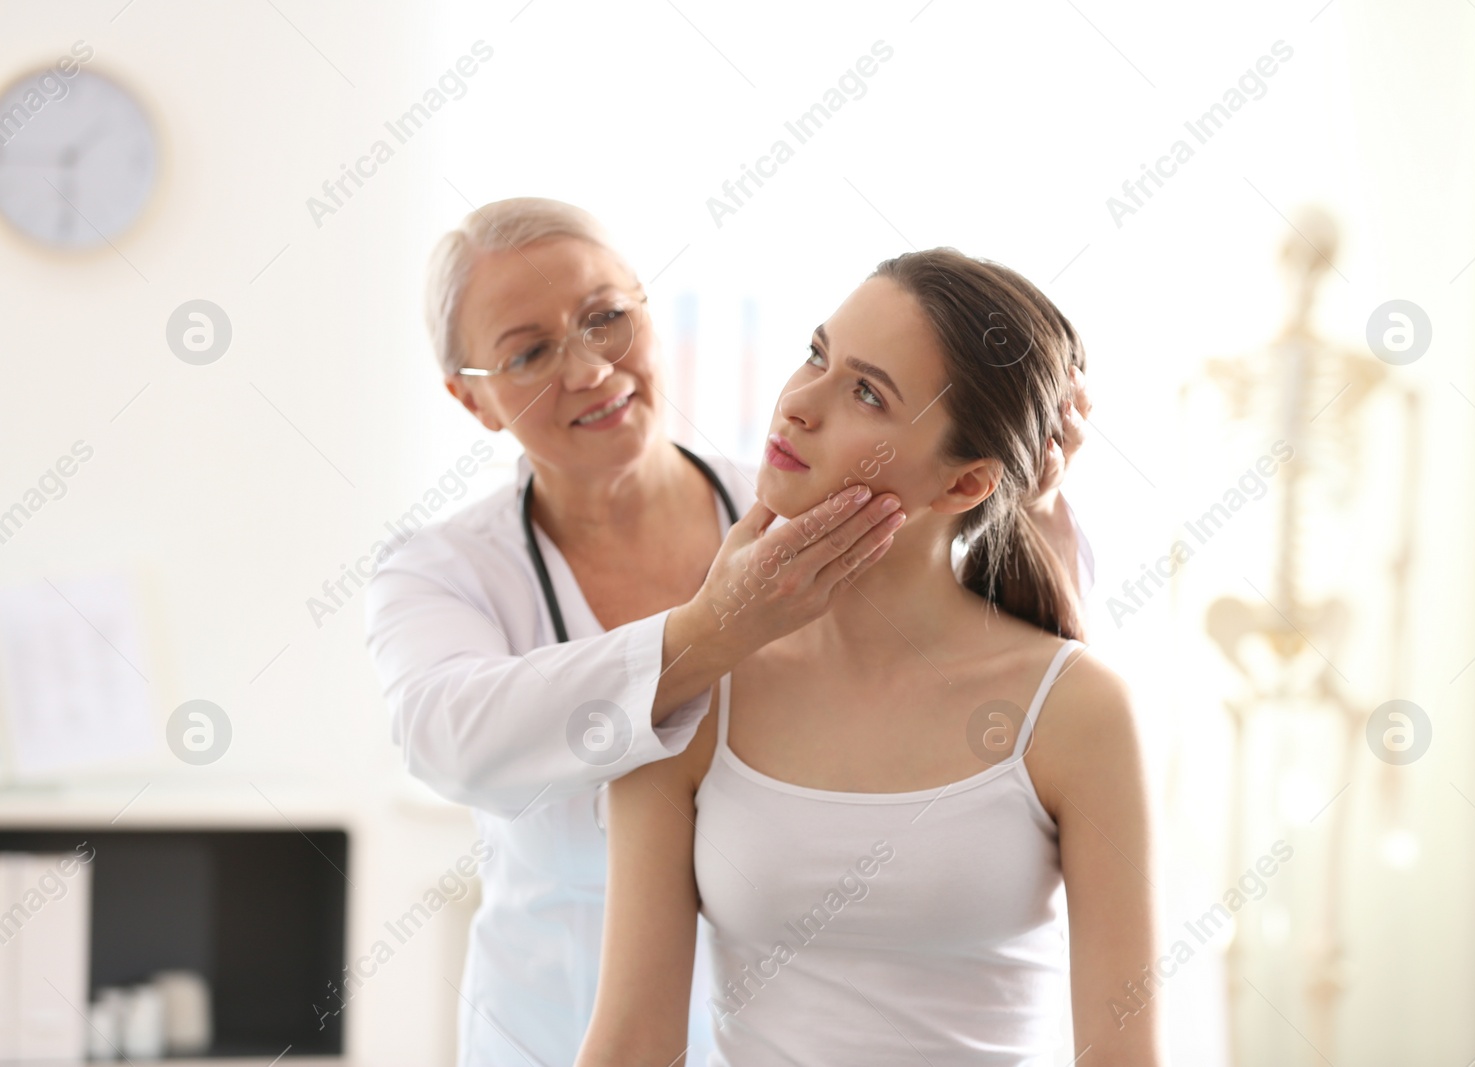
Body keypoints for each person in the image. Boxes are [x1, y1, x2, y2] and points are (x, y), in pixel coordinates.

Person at [363, 200, 1095, 1066]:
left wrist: (1033, 501)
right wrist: (708, 634)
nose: (591, 368)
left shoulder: (813, 502)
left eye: (607, 318)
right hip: (556, 1031)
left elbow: (990, 674)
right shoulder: (442, 568)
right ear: (472, 399)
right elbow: (444, 735)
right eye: (529, 352)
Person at [576, 249, 1160, 1067]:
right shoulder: (689, 688)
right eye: (817, 354)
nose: (799, 405)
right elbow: (633, 1046)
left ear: (964, 486)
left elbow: (1123, 1056)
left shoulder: (1076, 709)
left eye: (867, 392)